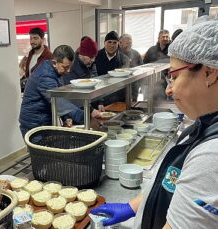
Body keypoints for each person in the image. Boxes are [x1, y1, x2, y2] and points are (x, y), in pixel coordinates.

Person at [91, 18, 218, 228]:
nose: (168, 89)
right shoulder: (203, 126)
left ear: (209, 72)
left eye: (175, 77)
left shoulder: (211, 156)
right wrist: (132, 207)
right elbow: (171, 181)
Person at [19, 45, 100, 137]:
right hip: (33, 125)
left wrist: (65, 118)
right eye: (65, 67)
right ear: (54, 62)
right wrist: (87, 119)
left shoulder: (56, 71)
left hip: (43, 122)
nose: (68, 71)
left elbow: (62, 98)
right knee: (41, 151)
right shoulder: (45, 76)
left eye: (70, 67)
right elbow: (59, 102)